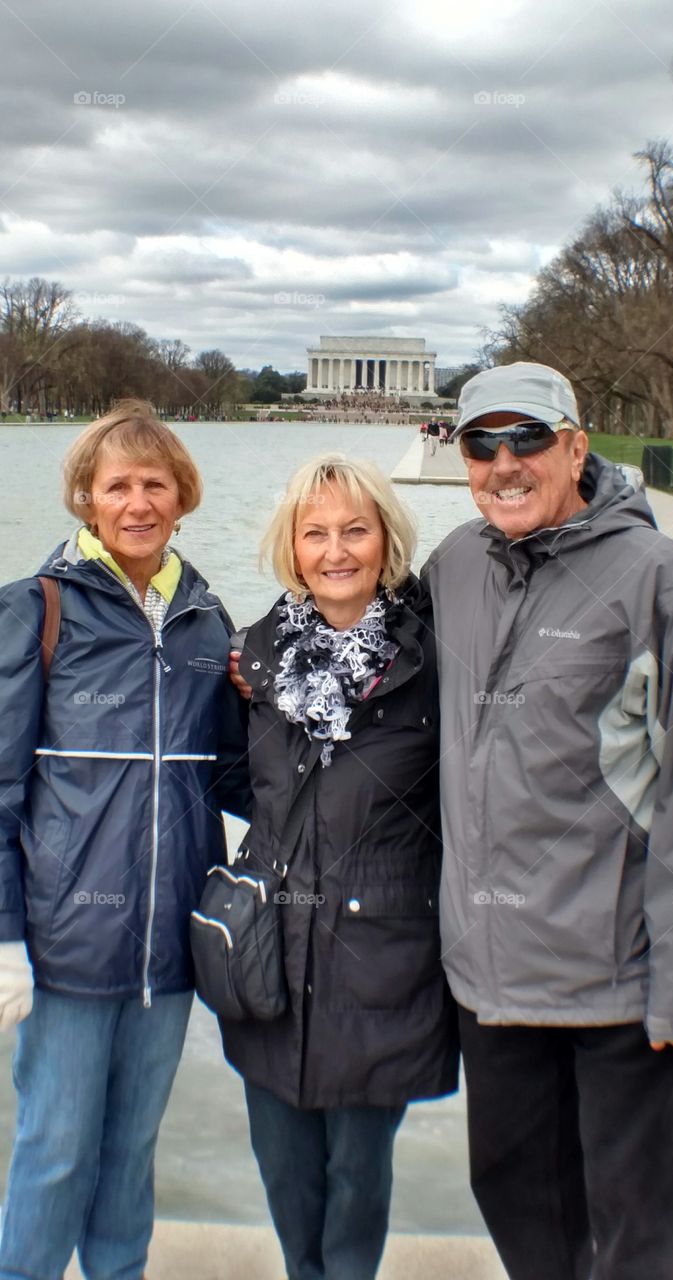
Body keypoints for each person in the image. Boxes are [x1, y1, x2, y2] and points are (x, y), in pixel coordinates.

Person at [423, 361, 673, 1280]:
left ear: (576, 446)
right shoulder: (455, 563)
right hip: (490, 975)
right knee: (518, 1207)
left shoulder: (655, 577)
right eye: (481, 444)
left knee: (633, 1240)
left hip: (616, 980)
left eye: (528, 439)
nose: (503, 463)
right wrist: (254, 665)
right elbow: (375, 673)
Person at [0, 399, 250, 1280]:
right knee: (56, 1150)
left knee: (132, 1149)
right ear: (86, 498)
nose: (137, 503)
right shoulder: (36, 609)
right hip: (64, 942)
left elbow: (235, 780)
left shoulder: (208, 620)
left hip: (173, 942)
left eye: (155, 484)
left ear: (182, 497)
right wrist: (4, 938)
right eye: (117, 486)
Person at [223, 454, 458, 1280]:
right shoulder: (254, 658)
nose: (334, 551)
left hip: (380, 959)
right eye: (314, 532)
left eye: (354, 530)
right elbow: (232, 781)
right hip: (268, 959)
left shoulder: (433, 658)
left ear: (385, 538)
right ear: (289, 546)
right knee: (285, 1175)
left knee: (356, 1180)